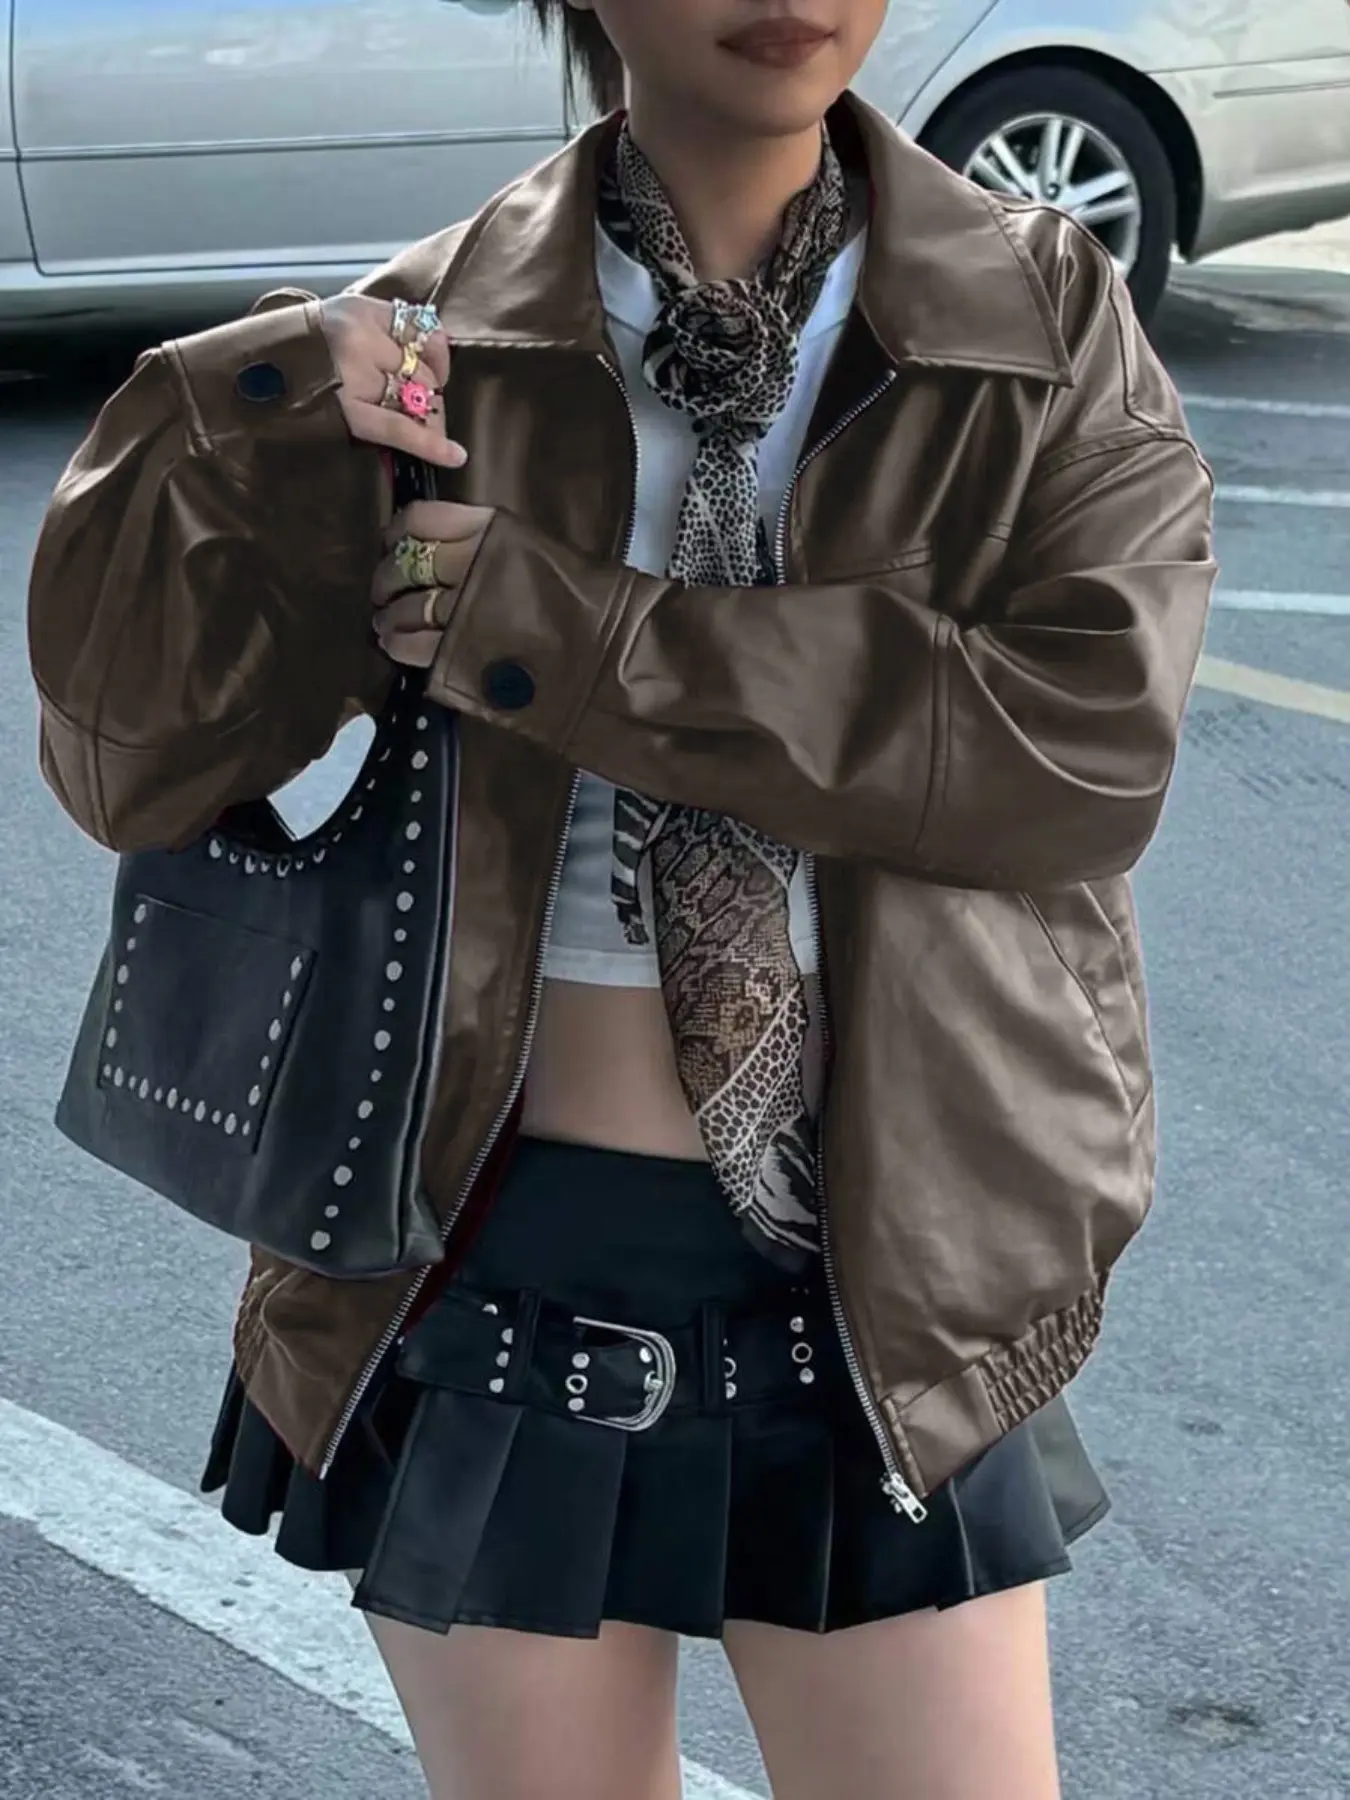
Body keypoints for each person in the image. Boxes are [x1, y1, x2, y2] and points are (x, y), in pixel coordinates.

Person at [27, 2, 1216, 1796]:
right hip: (482, 1265)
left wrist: (573, 641)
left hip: (891, 1272)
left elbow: (1081, 754)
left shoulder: (1036, 316)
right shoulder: (424, 345)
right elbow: (131, 764)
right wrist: (238, 405)